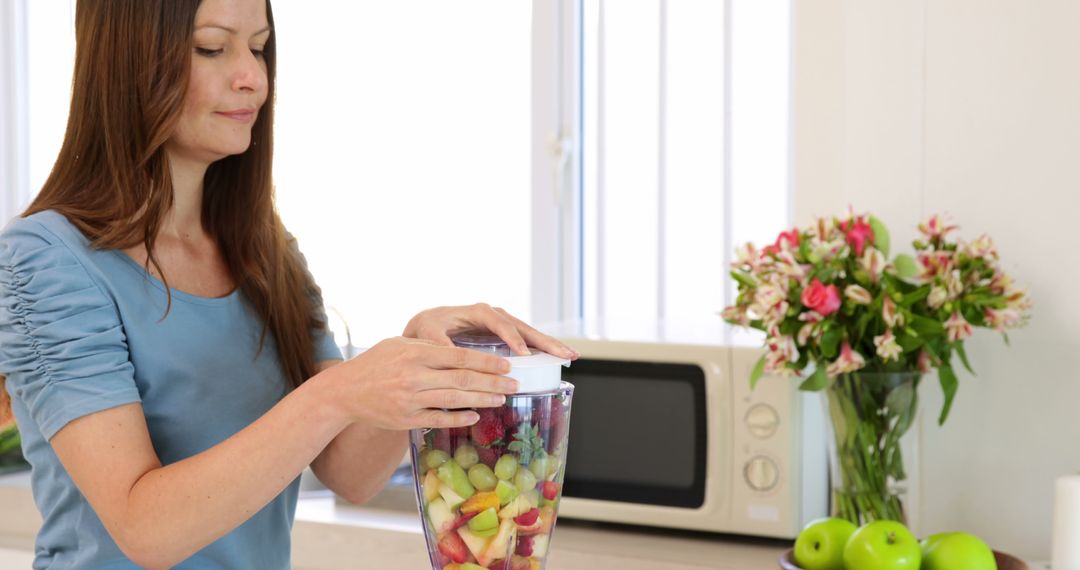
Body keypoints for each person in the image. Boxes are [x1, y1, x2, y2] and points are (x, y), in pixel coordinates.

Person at [0, 1, 577, 568]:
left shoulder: (263, 250)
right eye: (212, 48)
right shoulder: (46, 261)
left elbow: (349, 473)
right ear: (126, 61)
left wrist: (421, 356)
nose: (253, 78)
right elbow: (144, 529)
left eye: (259, 47)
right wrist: (335, 393)